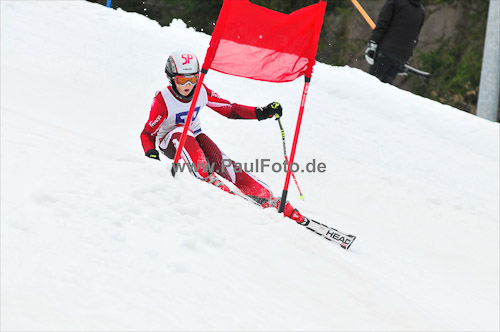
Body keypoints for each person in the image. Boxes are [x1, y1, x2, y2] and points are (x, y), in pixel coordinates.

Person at [140, 50, 309, 225]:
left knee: (222, 161)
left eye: (193, 78)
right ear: (171, 79)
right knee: (181, 132)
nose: (188, 85)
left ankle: (267, 197)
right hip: (170, 142)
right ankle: (206, 177)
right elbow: (147, 133)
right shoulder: (163, 99)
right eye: (182, 80)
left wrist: (262, 112)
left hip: (194, 138)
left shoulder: (201, 91)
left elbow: (230, 109)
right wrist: (151, 153)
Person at [365, 0, 425, 84]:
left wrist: (373, 44)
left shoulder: (395, 1)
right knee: (384, 90)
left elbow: (382, 24)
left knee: (371, 85)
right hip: (400, 58)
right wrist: (405, 59)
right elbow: (414, 38)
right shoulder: (421, 11)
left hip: (385, 53)